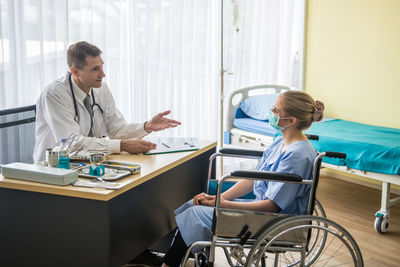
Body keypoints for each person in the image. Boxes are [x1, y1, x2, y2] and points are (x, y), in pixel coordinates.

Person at [158, 90, 325, 267]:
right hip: (263, 212)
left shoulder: (297, 155)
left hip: (276, 222)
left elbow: (272, 206)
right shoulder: (280, 141)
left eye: (276, 110)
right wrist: (219, 198)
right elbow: (252, 179)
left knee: (195, 213)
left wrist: (222, 205)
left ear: (291, 121)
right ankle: (174, 259)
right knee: (195, 204)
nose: (271, 113)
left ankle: (170, 263)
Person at [33, 41, 181, 163]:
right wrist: (123, 145)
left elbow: (116, 130)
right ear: (75, 72)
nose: (103, 74)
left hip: (87, 164)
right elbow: (72, 144)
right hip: (54, 170)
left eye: (102, 66)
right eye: (95, 69)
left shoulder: (100, 88)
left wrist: (147, 126)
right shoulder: (54, 94)